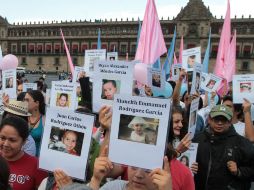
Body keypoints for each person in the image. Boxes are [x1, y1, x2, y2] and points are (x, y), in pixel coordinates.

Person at [193, 105, 254, 190]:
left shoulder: (241, 143)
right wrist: (189, 167)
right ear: (209, 120)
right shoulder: (197, 139)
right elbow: (185, 163)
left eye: (224, 120)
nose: (220, 123)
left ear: (230, 122)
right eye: (216, 119)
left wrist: (239, 172)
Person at [0, 116, 48, 190]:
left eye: (12, 140)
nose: (6, 144)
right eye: (2, 138)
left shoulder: (36, 165)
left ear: (24, 141)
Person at [24, 90, 46, 156]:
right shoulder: (22, 117)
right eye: (24, 100)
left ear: (37, 103)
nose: (24, 102)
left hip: (38, 160)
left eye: (27, 100)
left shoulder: (45, 120)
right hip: (22, 159)